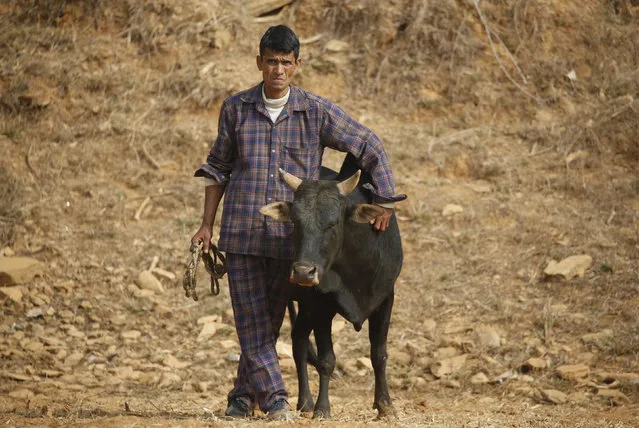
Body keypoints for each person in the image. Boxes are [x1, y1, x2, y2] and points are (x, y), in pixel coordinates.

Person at [191, 25, 405, 420]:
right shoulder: (235, 109)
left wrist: (385, 197)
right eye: (270, 61)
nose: (277, 69)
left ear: (297, 65)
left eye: (285, 62)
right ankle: (276, 400)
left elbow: (368, 143)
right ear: (259, 62)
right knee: (251, 322)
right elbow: (218, 169)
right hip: (241, 233)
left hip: (292, 240)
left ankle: (241, 398)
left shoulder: (316, 111)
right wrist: (206, 225)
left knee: (267, 325)